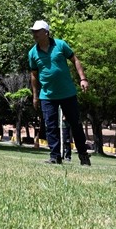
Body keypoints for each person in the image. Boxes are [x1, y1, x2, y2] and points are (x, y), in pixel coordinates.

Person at [27, 20, 92, 166]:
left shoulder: (61, 45)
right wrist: (35, 96)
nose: (34, 34)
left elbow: (75, 60)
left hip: (67, 93)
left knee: (75, 125)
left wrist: (83, 78)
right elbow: (33, 75)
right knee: (50, 126)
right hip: (47, 95)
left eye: (37, 31)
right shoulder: (32, 53)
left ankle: (83, 155)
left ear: (46, 32)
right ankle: (55, 156)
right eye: (33, 31)